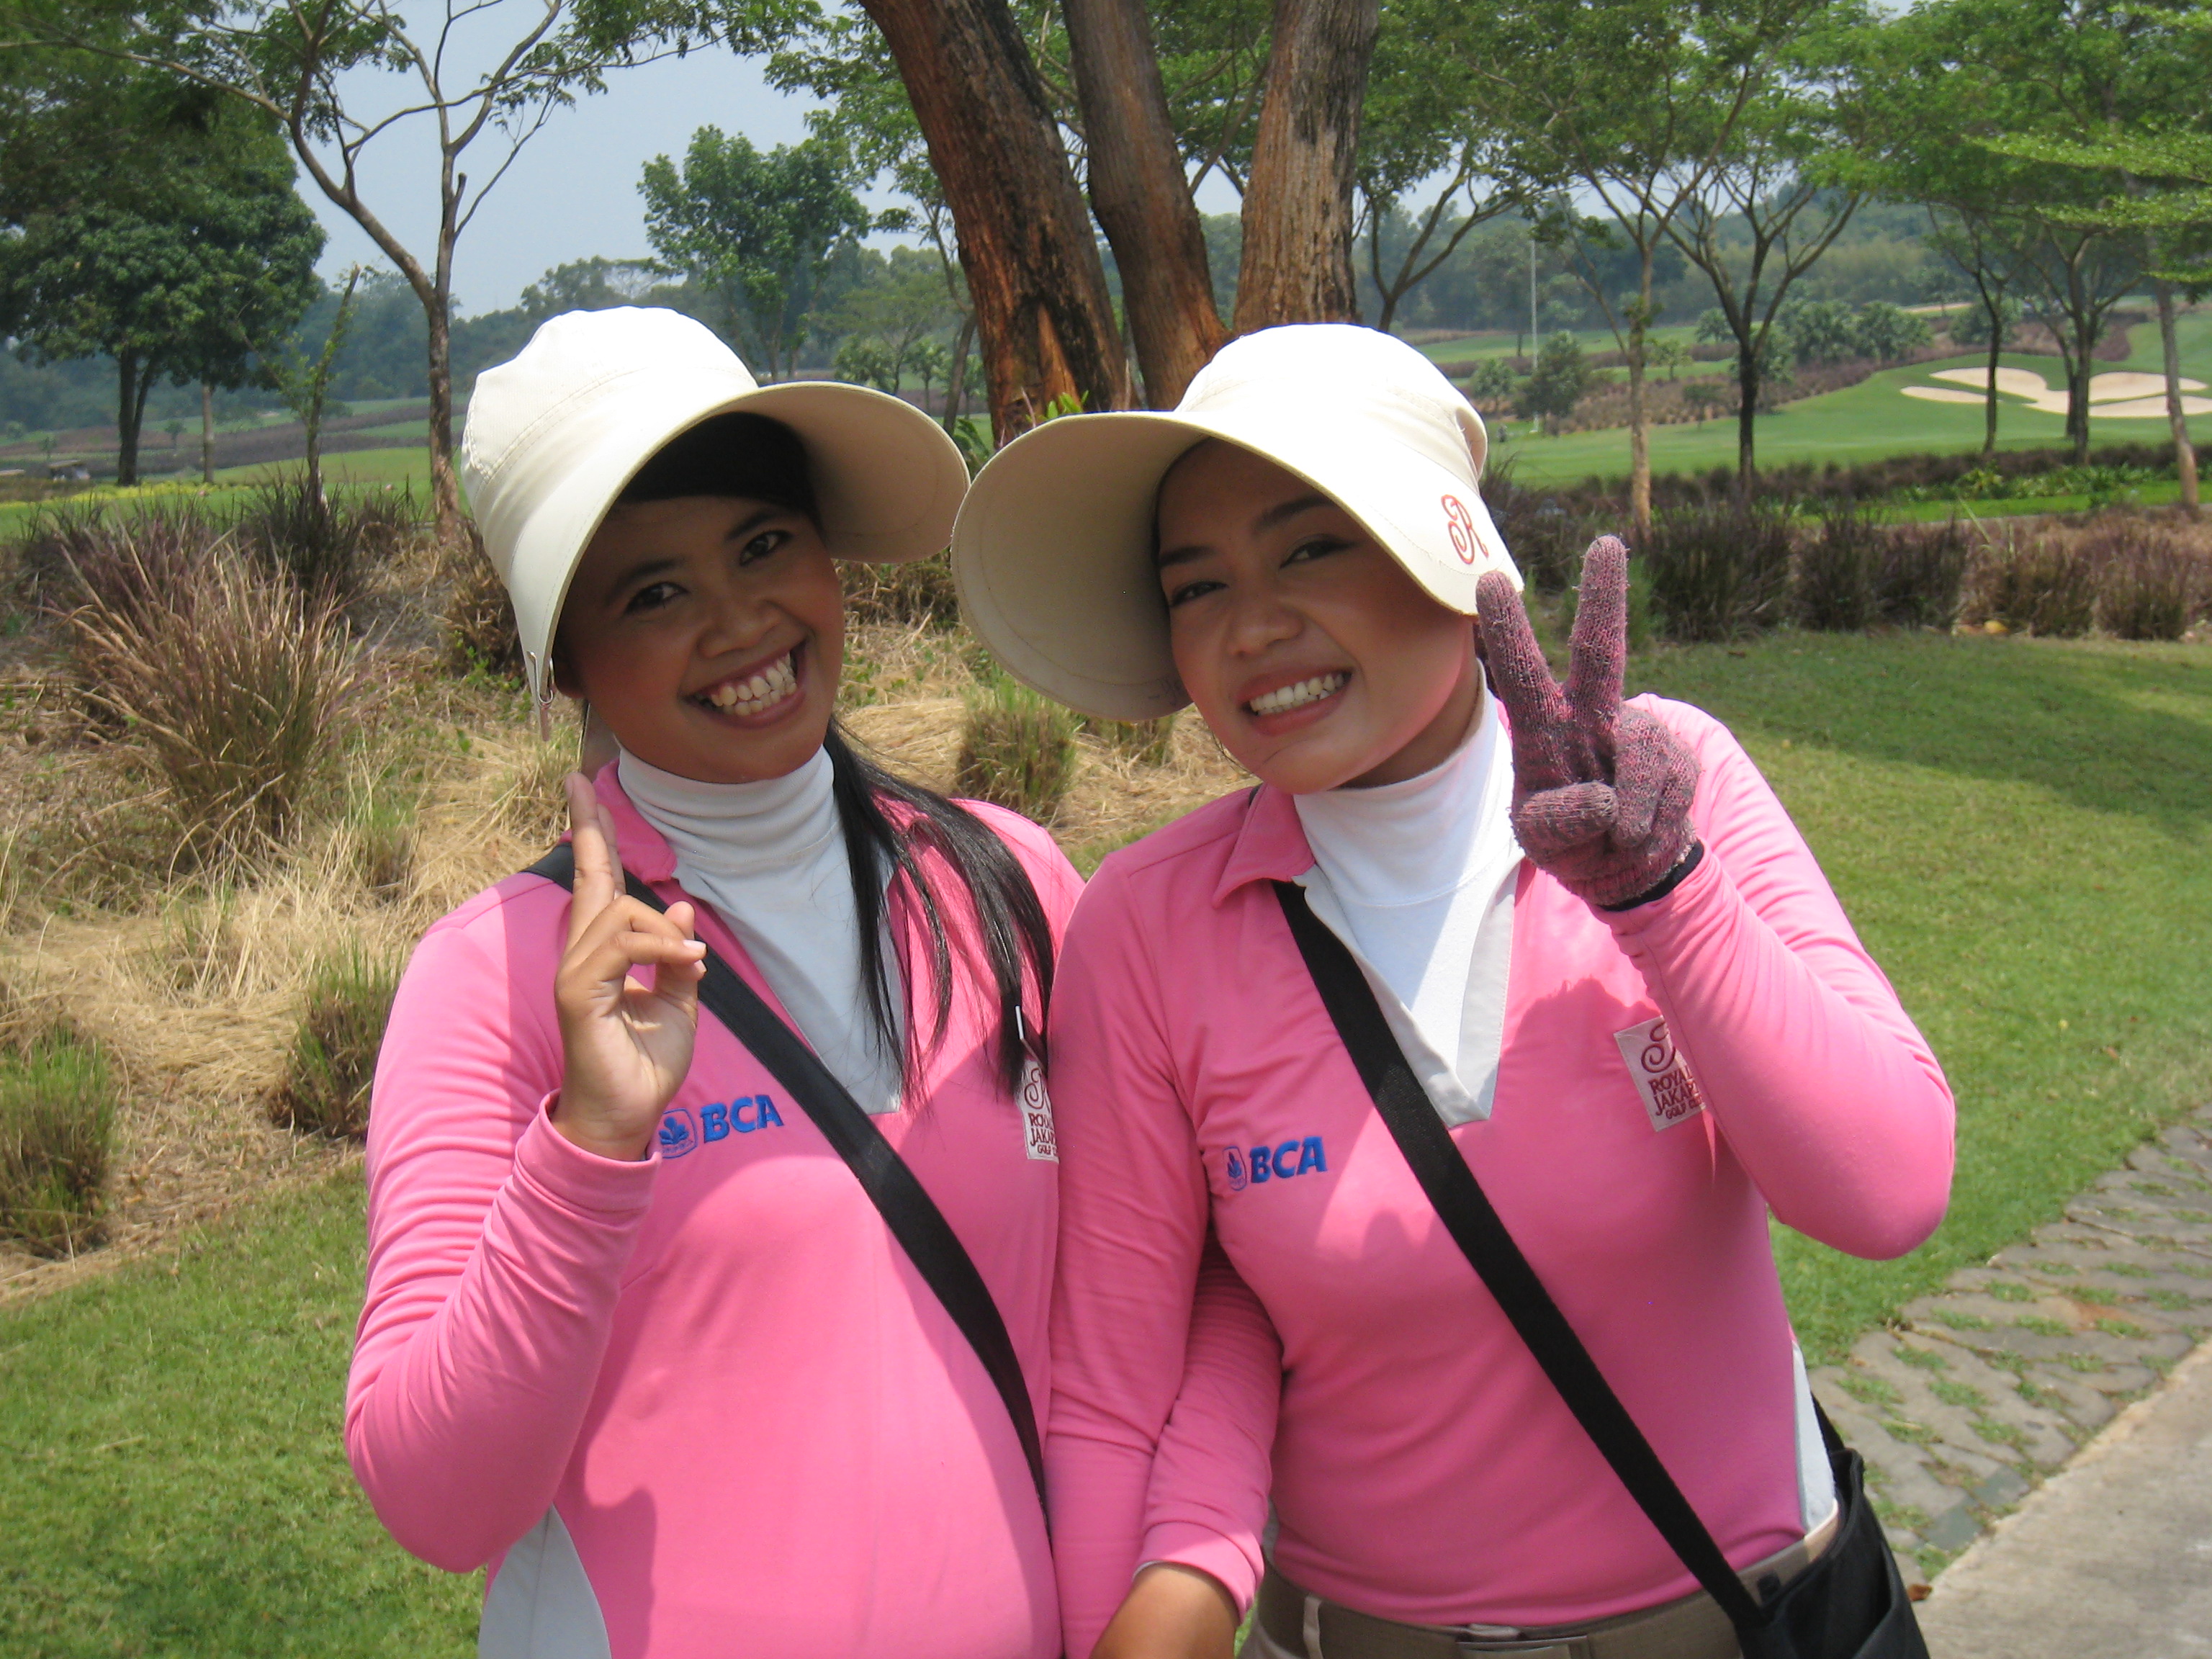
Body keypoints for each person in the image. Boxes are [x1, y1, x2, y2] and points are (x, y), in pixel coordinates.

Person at [950, 324, 1956, 1659]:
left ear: (1449, 551)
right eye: (1197, 588)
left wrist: (1662, 897)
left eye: (1314, 549)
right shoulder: (1152, 924)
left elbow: (1889, 1191)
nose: (1253, 627)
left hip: (1759, 1622)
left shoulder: (1663, 780)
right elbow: (1115, 1390)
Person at [348, 307, 1082, 1659]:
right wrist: (592, 1140)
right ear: (569, 658)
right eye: (654, 594)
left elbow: (1132, 1327)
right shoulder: (492, 977)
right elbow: (435, 1499)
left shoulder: (1006, 885)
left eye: (763, 547)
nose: (743, 622)